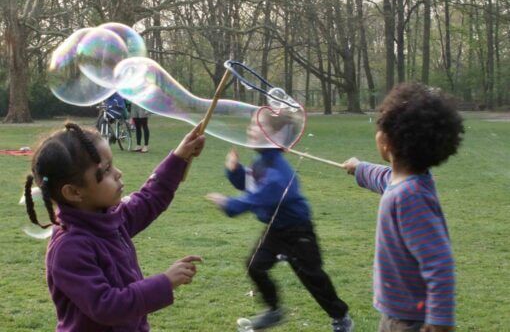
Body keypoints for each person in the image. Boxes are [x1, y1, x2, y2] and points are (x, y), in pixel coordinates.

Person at [24, 121, 205, 331]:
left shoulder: (110, 219)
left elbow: (149, 199)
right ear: (74, 192)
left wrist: (179, 157)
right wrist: (165, 282)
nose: (118, 173)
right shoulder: (69, 248)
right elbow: (107, 306)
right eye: (106, 170)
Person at [206, 111, 353, 332]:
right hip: (275, 229)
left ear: (273, 135)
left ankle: (341, 318)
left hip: (299, 232)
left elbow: (257, 197)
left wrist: (229, 205)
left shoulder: (278, 175)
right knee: (255, 265)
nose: (250, 129)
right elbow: (250, 184)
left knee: (313, 277)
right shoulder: (261, 162)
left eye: (257, 126)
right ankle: (274, 310)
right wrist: (235, 172)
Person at [340, 83, 464, 332]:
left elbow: (438, 262)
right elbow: (385, 178)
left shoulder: (409, 197)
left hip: (409, 320)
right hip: (397, 312)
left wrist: (440, 322)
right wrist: (360, 167)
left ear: (388, 142)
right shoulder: (410, 181)